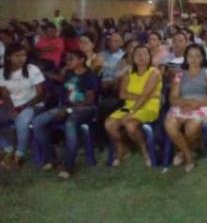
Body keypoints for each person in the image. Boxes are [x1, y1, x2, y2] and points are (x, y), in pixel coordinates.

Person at [32, 50, 99, 179]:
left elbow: (89, 100)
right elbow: (61, 84)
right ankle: (52, 159)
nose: (67, 62)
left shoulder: (89, 76)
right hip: (66, 107)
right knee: (37, 122)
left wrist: (68, 110)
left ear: (81, 60)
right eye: (66, 59)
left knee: (70, 123)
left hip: (86, 109)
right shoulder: (68, 73)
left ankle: (69, 165)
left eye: (71, 59)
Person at [164, 44, 207, 172]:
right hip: (182, 104)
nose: (193, 59)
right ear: (186, 57)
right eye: (190, 56)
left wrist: (197, 104)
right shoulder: (180, 75)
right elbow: (173, 98)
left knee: (191, 128)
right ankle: (189, 155)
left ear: (203, 57)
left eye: (197, 56)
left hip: (204, 104)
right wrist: (185, 103)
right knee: (169, 124)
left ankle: (182, 152)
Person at [104, 45, 162, 167]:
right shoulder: (129, 73)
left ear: (150, 56)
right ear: (133, 58)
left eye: (145, 54)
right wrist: (141, 98)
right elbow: (122, 94)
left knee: (130, 124)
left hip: (149, 106)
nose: (142, 57)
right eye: (138, 54)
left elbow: (145, 96)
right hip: (129, 106)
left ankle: (144, 150)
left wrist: (133, 109)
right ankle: (122, 148)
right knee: (109, 124)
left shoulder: (154, 72)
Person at [0, 44, 45, 168]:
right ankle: (7, 148)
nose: (21, 59)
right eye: (17, 56)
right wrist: (11, 109)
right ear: (8, 57)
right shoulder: (2, 72)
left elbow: (40, 94)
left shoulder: (32, 69)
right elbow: (5, 95)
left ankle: (19, 155)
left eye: (23, 55)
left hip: (33, 104)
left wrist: (22, 107)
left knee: (22, 121)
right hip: (13, 105)